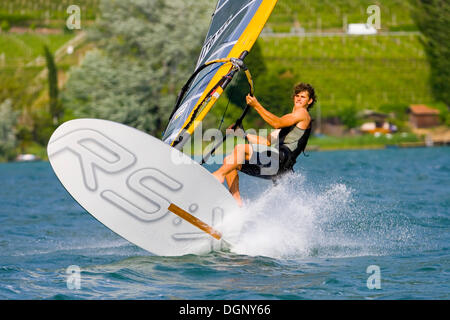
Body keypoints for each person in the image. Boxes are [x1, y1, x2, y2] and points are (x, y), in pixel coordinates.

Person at [212, 82, 316, 206]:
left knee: (240, 149)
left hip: (281, 160)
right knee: (230, 161)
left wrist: (256, 105)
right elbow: (266, 142)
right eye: (297, 95)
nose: (299, 98)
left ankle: (218, 175)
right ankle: (237, 202)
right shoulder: (289, 120)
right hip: (278, 168)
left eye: (303, 97)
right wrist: (242, 134)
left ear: (309, 101)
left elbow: (276, 123)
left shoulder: (302, 114)